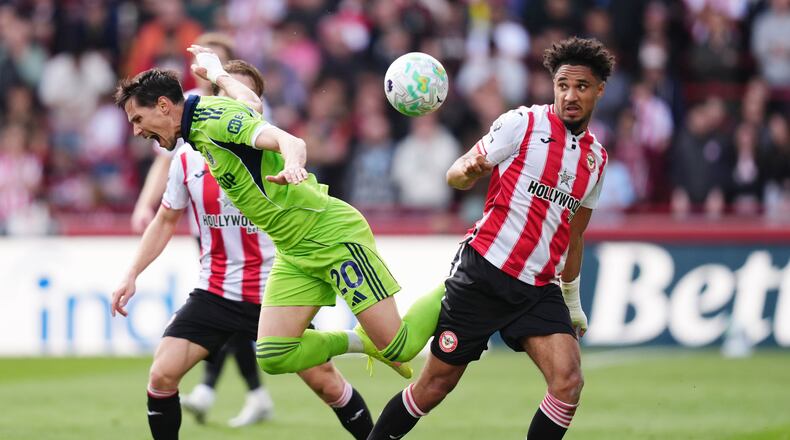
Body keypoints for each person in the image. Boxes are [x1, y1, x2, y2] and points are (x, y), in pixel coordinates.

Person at [113, 45, 447, 382]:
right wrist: (217, 73)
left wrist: (292, 164)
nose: (137, 131)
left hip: (328, 234)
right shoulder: (201, 119)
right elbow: (252, 105)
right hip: (293, 249)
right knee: (274, 354)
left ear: (163, 106)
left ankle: (461, 285)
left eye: (138, 119)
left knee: (400, 347)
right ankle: (359, 341)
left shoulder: (211, 122)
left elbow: (292, 142)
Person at [111, 61, 375, 440]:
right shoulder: (187, 158)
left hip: (274, 292)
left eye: (251, 100)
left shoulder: (265, 147)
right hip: (216, 292)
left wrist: (296, 166)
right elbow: (165, 221)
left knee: (328, 385)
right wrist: (131, 273)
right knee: (161, 374)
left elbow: (292, 150)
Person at [366, 36, 613, 440]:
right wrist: (468, 172)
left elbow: (575, 233)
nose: (570, 95)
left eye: (581, 87)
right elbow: (457, 172)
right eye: (562, 85)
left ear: (599, 90)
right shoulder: (522, 123)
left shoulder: (596, 159)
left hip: (538, 288)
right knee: (434, 387)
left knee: (568, 383)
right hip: (484, 273)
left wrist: (572, 300)